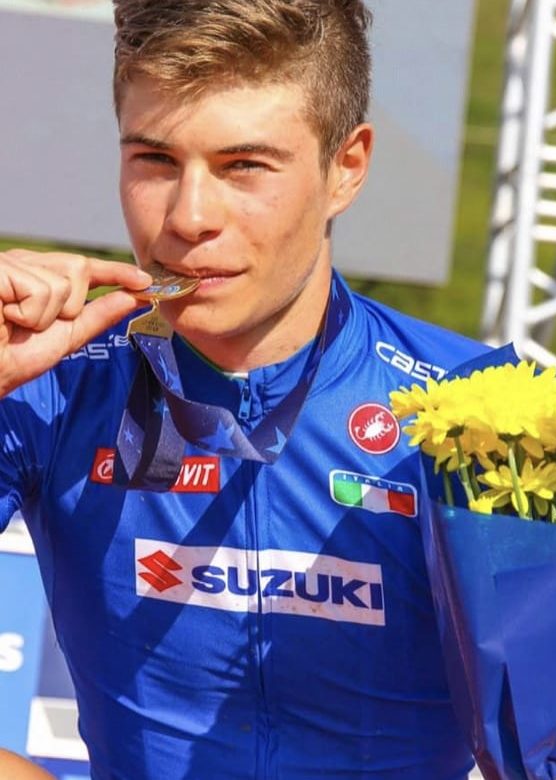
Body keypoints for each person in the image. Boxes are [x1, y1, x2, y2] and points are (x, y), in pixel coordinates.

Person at [0, 1, 488, 777]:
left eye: (243, 166)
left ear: (345, 168)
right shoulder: (50, 382)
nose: (189, 217)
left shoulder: (480, 410)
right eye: (155, 160)